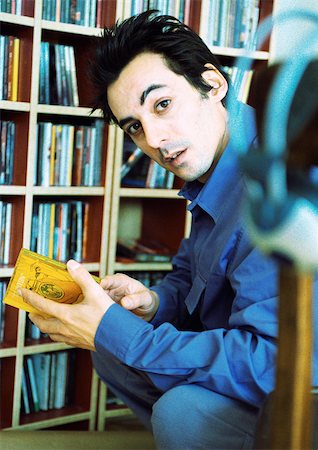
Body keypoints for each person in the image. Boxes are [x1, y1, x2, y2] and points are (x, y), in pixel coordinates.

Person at [19, 10, 315, 449]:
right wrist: (152, 304)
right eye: (134, 127)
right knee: (113, 350)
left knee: (180, 410)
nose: (154, 139)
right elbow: (191, 276)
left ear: (212, 85)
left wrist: (123, 335)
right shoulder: (211, 173)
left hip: (294, 388)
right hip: (253, 363)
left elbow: (275, 364)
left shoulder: (277, 179)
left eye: (162, 104)